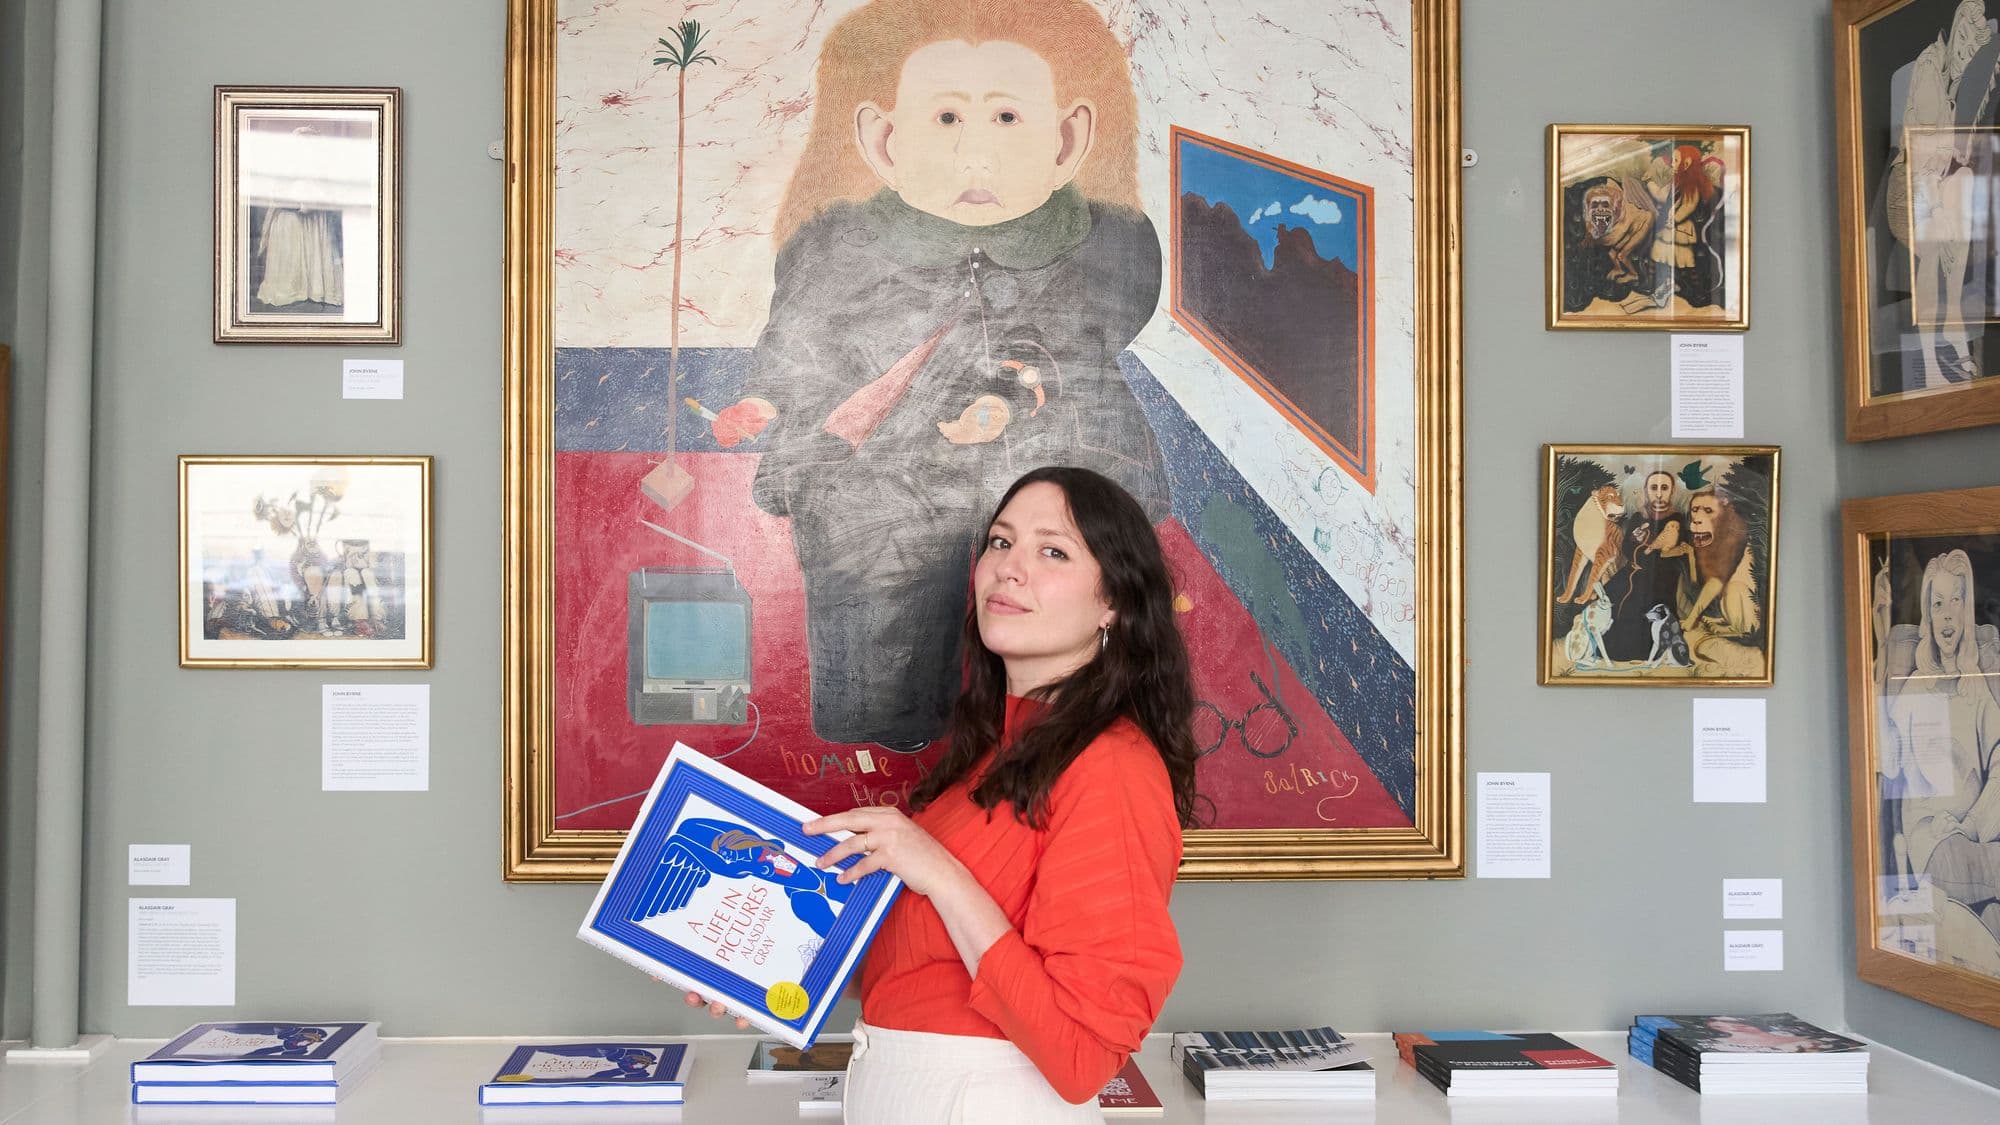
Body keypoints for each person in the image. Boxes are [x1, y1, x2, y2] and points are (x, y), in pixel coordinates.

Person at [702, 0, 1171, 748]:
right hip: (885, 471)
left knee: (1064, 588)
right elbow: (799, 338)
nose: (974, 155)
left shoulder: (1103, 243)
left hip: (1042, 447)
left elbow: (1078, 347)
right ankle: (882, 722)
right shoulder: (837, 246)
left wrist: (1011, 395)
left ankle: (1058, 733)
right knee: (871, 565)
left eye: (1007, 118)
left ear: (1068, 140)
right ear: (882, 142)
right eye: (948, 118)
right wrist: (768, 398)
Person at [687, 466, 1201, 1122]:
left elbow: (1081, 1058)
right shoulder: (986, 758)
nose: (1010, 568)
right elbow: (918, 968)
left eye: (1053, 551)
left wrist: (938, 870)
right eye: (1000, 542)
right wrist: (752, 962)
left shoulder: (1113, 766)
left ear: (1115, 604)